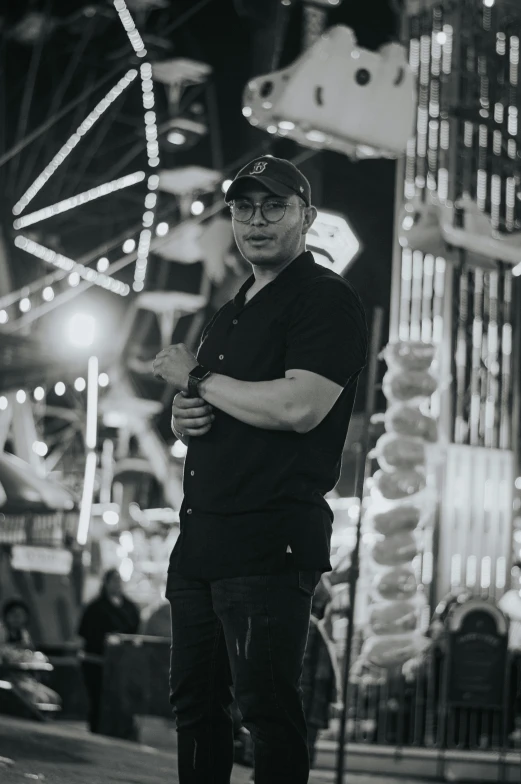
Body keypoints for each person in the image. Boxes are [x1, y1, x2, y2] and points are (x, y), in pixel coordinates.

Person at [152, 155, 368, 784]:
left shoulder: (326, 300)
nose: (256, 221)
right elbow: (216, 404)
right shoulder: (231, 309)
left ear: (306, 217)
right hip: (201, 542)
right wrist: (185, 416)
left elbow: (300, 408)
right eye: (244, 208)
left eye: (274, 206)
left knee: (267, 712)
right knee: (194, 706)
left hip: (269, 539)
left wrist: (193, 375)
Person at [77, 568, 140, 733]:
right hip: (97, 661)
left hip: (122, 663)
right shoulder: (95, 607)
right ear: (105, 583)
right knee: (98, 698)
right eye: (113, 581)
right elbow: (85, 631)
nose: (117, 585)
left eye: (119, 581)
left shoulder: (130, 607)